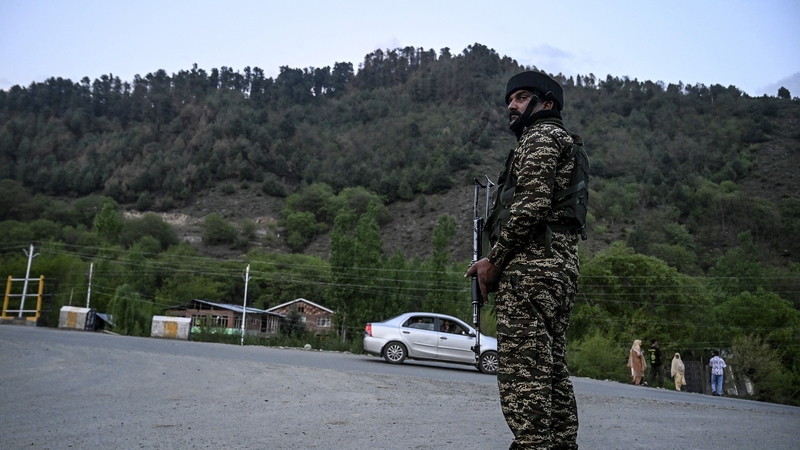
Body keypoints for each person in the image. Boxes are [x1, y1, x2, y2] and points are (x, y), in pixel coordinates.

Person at [466, 70, 581, 450]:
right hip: (556, 271)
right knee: (549, 369)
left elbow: (531, 206)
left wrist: (493, 261)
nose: (511, 107)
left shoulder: (542, 136)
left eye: (519, 98)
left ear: (545, 103)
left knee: (523, 375)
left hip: (531, 272)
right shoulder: (560, 141)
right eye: (509, 100)